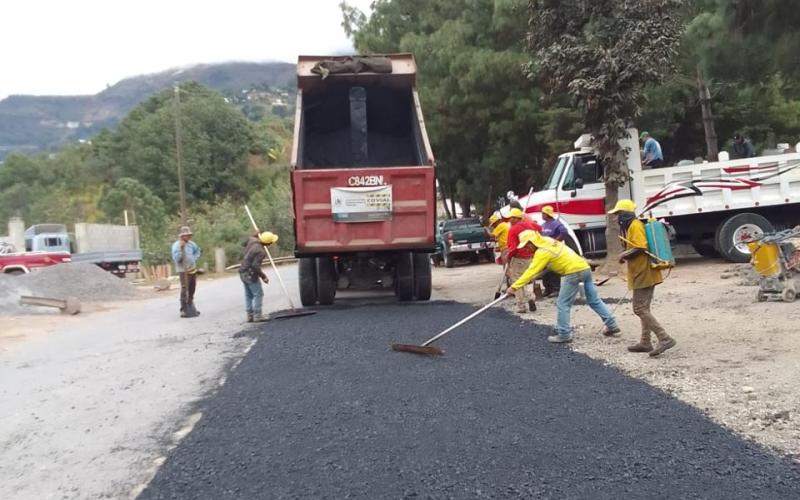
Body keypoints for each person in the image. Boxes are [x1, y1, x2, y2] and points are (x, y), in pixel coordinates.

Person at [507, 230, 620, 343]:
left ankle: (564, 333)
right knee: (594, 300)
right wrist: (535, 276)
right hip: (584, 268)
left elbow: (531, 271)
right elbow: (548, 265)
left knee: (563, 303)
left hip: (572, 273)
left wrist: (514, 287)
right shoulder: (548, 241)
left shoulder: (542, 252)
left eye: (527, 246)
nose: (527, 249)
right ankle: (612, 325)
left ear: (532, 242)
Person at [609, 199, 676, 357]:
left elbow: (641, 246)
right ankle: (645, 342)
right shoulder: (632, 226)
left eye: (618, 214)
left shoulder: (635, 226)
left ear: (625, 214)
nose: (616, 218)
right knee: (644, 308)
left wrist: (623, 254)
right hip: (640, 272)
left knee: (639, 308)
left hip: (643, 272)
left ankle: (664, 338)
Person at [504, 208, 542, 313]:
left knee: (517, 281)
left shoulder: (513, 230)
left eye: (511, 218)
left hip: (518, 258)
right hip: (531, 257)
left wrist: (508, 257)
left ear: (516, 218)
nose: (510, 220)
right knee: (529, 279)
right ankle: (530, 297)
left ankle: (521, 306)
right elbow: (540, 228)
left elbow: (513, 247)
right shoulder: (530, 225)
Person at [239, 231, 279, 322]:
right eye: (271, 242)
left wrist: (255, 233)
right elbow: (255, 266)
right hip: (250, 273)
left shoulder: (252, 241)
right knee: (258, 294)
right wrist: (263, 276)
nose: (271, 243)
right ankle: (258, 315)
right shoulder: (260, 251)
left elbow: (245, 242)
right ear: (268, 243)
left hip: (242, 271)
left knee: (248, 294)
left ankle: (250, 315)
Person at [171, 226, 201, 318]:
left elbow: (198, 251)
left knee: (192, 288)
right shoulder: (176, 245)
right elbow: (176, 259)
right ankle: (183, 309)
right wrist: (181, 249)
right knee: (185, 289)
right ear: (181, 236)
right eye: (186, 235)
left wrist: (194, 259)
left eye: (189, 235)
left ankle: (190, 306)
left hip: (192, 269)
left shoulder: (192, 244)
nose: (188, 237)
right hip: (183, 270)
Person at [540, 205, 569, 297]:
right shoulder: (543, 225)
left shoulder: (556, 223)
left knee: (553, 270)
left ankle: (556, 289)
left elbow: (564, 232)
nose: (542, 215)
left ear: (547, 214)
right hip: (545, 251)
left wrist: (556, 241)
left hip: (554, 251)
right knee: (545, 270)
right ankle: (547, 289)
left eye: (543, 213)